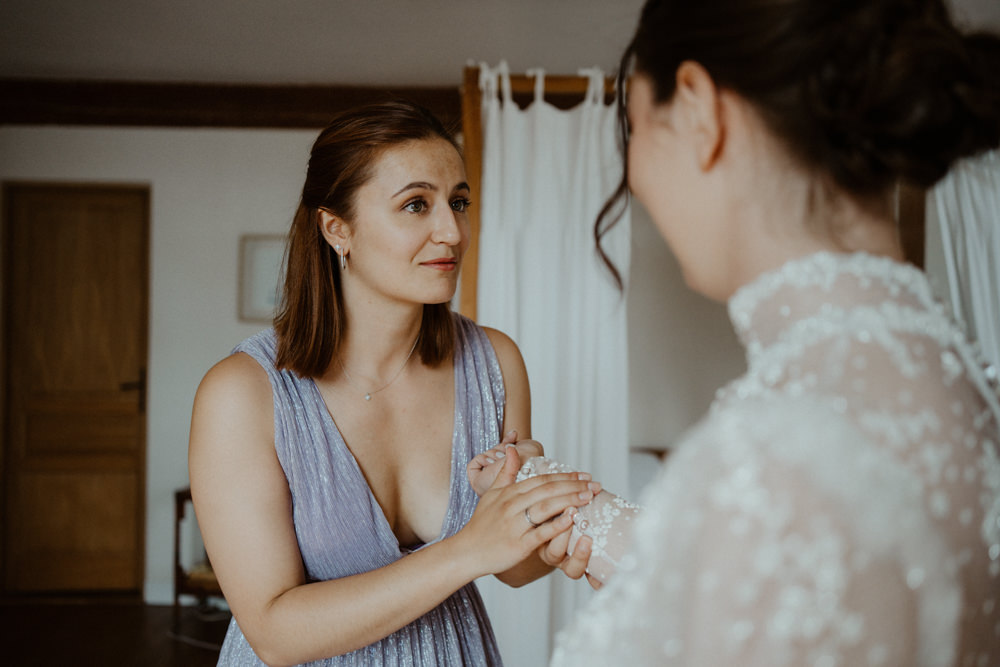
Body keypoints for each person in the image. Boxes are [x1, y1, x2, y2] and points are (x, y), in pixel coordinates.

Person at [545, 0, 1000, 665]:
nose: (634, 179)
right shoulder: (967, 389)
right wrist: (619, 533)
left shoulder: (770, 457)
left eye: (633, 127)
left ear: (698, 109)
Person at [187, 101, 601, 666]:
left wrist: (547, 536)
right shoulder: (242, 393)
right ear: (337, 229)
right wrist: (467, 549)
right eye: (416, 205)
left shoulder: (495, 362)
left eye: (458, 202)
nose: (452, 232)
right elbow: (274, 633)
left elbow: (510, 567)